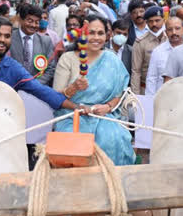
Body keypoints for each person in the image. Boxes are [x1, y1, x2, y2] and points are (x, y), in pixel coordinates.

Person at [0, 17, 82, 113]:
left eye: (7, 36)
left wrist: (77, 107)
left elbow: (43, 92)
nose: (2, 40)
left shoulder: (14, 68)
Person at [52, 14, 135, 165]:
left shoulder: (112, 59)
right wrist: (73, 88)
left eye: (100, 33)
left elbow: (120, 93)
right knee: (72, 142)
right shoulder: (68, 58)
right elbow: (56, 97)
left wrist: (108, 107)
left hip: (102, 115)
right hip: (72, 115)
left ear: (107, 36)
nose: (96, 38)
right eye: (91, 32)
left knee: (113, 137)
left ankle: (112, 182)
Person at [9, 4, 56, 85]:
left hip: (36, 90)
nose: (33, 25)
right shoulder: (9, 38)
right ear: (20, 20)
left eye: (37, 22)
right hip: (12, 88)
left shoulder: (46, 41)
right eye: (30, 21)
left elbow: (50, 68)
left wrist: (34, 85)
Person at [130, 6, 166, 94]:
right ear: (146, 23)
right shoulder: (140, 42)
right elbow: (136, 71)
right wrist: (136, 97)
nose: (154, 24)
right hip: (146, 90)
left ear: (163, 20)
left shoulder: (170, 40)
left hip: (167, 90)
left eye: (157, 20)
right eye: (150, 21)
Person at [146, 17, 183, 95]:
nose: (174, 32)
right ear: (166, 32)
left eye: (177, 28)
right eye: (170, 29)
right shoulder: (158, 51)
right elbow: (151, 78)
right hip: (163, 99)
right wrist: (150, 100)